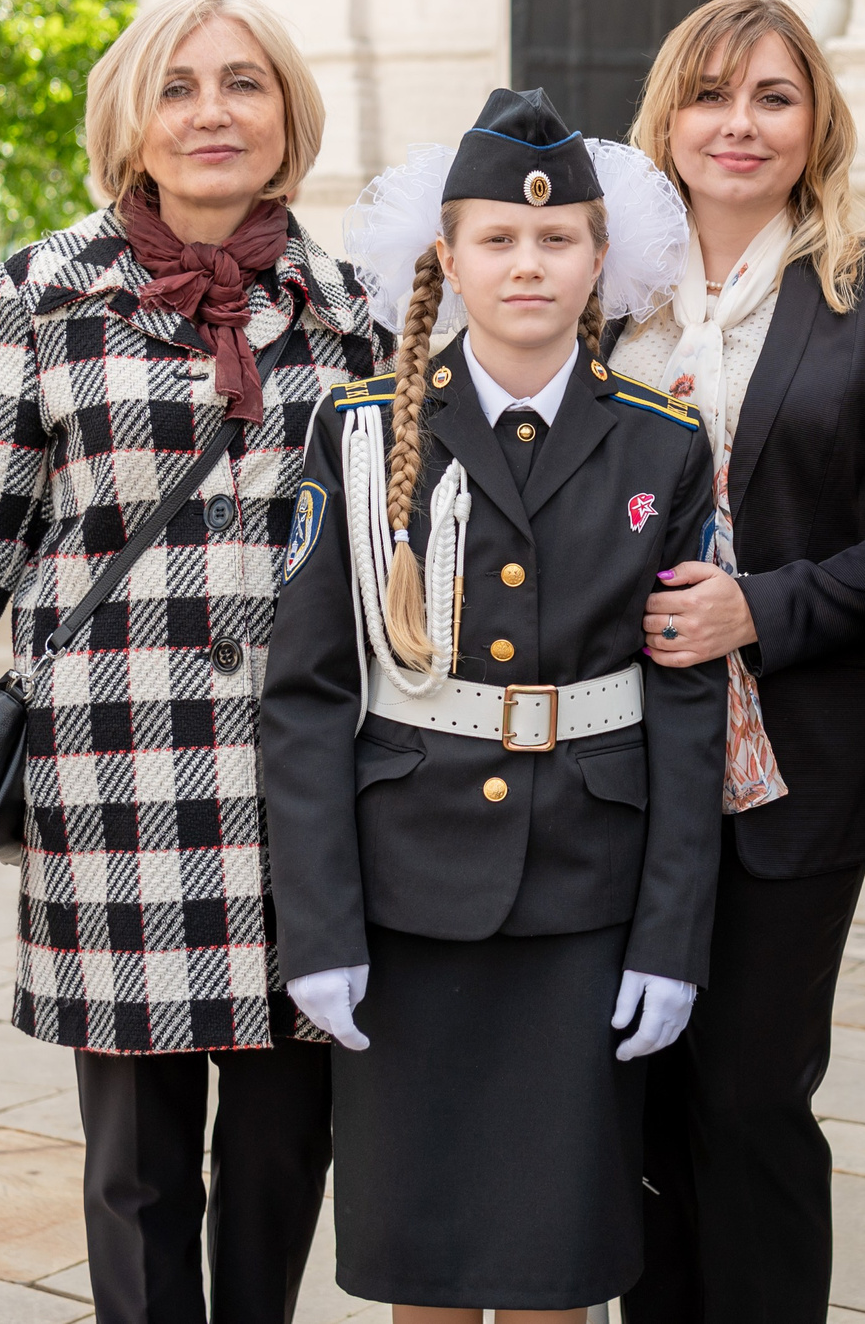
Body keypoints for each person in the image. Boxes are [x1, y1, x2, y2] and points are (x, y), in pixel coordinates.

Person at [0, 0, 387, 1324]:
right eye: (181, 85)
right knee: (136, 1169)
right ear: (131, 124)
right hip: (116, 780)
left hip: (301, 791)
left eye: (244, 82)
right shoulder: (47, 289)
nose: (214, 110)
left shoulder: (360, 309)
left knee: (278, 1156)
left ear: (288, 115)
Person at [262, 88, 724, 1323]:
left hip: (587, 895)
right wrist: (319, 929)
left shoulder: (661, 445)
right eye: (499, 239)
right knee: (426, 1256)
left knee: (551, 1262)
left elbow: (687, 706)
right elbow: (304, 697)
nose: (530, 262)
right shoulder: (360, 434)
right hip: (410, 896)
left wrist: (672, 942)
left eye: (558, 237)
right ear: (447, 258)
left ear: (600, 257)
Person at [604, 0, 865, 1324]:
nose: (738, 124)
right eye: (710, 94)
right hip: (614, 767)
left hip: (790, 761)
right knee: (640, 1097)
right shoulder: (601, 294)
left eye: (773, 97)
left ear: (817, 123)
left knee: (747, 1092)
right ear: (666, 117)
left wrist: (761, 607)